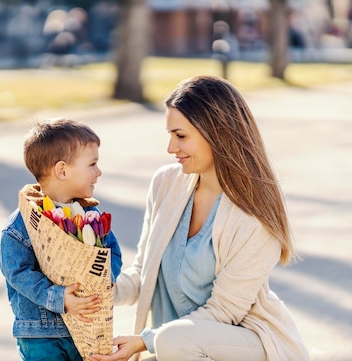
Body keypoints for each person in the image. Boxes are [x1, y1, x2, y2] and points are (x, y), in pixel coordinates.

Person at [89, 76, 309, 361]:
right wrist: (99, 291)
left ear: (216, 133)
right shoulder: (166, 184)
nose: (171, 148)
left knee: (172, 340)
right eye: (170, 135)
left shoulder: (255, 216)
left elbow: (224, 311)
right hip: (174, 348)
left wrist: (145, 342)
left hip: (243, 345)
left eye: (180, 136)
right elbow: (144, 272)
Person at [0, 117, 123, 361]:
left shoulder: (91, 215)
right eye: (92, 164)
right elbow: (16, 272)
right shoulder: (21, 225)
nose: (99, 172)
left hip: (88, 327)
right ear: (62, 170)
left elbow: (112, 253)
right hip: (41, 335)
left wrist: (102, 280)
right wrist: (58, 298)